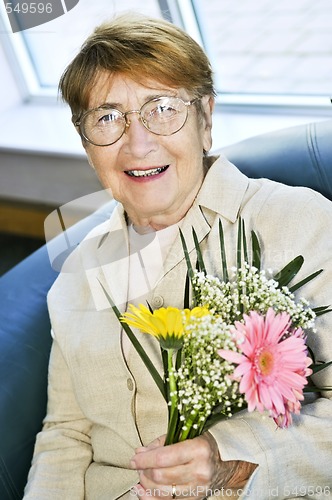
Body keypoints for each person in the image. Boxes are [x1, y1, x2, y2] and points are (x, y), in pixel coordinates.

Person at [24, 12, 332, 500]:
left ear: (205, 119)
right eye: (107, 118)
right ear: (87, 147)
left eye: (162, 108)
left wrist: (232, 458)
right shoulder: (79, 270)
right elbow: (66, 432)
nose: (138, 143)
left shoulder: (301, 224)